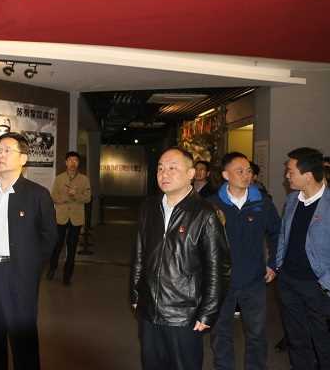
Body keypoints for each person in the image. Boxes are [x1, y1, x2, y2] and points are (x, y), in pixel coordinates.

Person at [129, 146, 230, 370]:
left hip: (184, 314)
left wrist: (208, 312)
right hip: (149, 309)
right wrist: (135, 295)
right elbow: (139, 255)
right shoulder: (149, 208)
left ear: (190, 174)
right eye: (160, 168)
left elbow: (218, 268)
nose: (164, 174)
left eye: (172, 168)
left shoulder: (205, 213)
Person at [0, 132, 58, 370]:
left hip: (19, 275)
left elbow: (50, 236)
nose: (0, 155)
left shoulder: (37, 194)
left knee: (23, 343)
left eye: (7, 150)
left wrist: (30, 267)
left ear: (23, 158)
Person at [209, 152, 281, 370]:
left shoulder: (262, 203)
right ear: (225, 175)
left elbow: (277, 233)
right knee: (221, 333)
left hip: (253, 280)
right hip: (221, 282)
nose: (246, 175)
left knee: (256, 333)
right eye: (239, 171)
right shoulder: (211, 205)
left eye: (248, 170)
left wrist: (273, 263)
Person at [276, 147, 330, 370]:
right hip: (289, 281)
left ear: (308, 175)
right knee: (296, 337)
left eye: (291, 171)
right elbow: (283, 235)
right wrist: (280, 265)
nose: (286, 176)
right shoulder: (291, 200)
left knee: (322, 339)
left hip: (317, 285)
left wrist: (325, 282)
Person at [47, 151, 91, 285]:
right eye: (70, 160)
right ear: (66, 163)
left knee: (72, 247)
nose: (73, 163)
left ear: (78, 163)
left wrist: (75, 195)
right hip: (61, 217)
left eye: (75, 160)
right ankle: (52, 267)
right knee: (57, 244)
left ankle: (67, 275)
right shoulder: (59, 178)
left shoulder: (84, 179)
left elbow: (88, 198)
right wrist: (65, 198)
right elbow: (53, 196)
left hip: (76, 218)